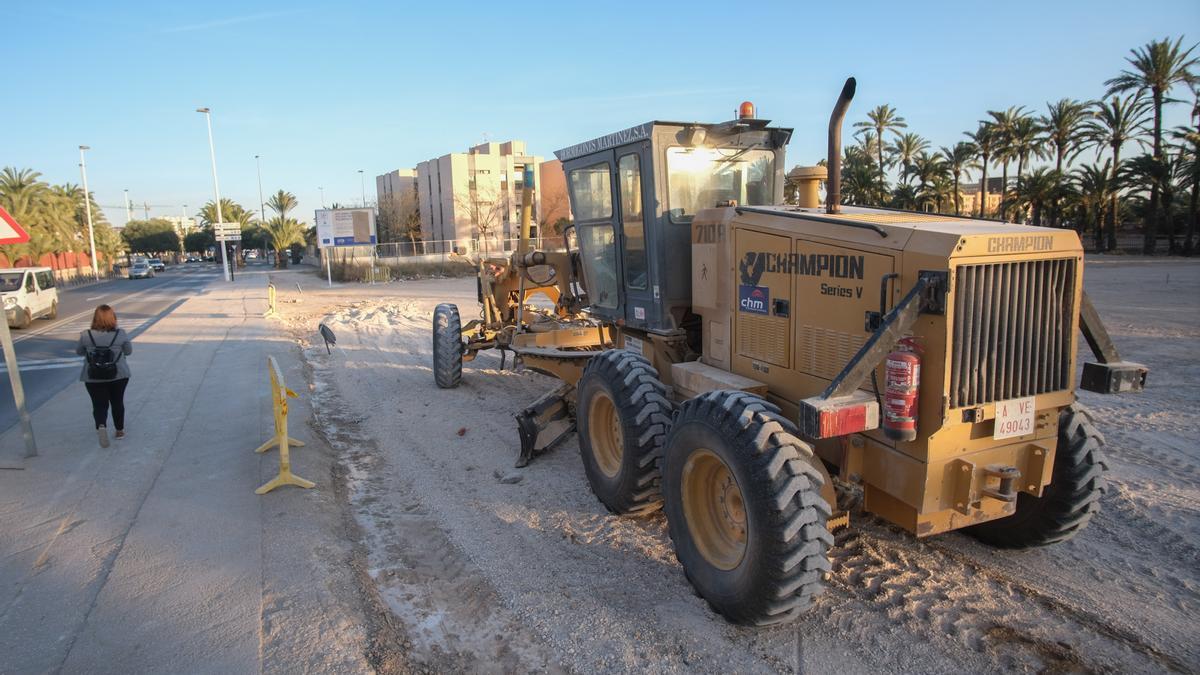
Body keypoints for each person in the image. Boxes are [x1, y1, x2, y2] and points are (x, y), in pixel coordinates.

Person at [76, 304, 132, 447]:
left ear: (95, 318)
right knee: (117, 402)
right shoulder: (121, 334)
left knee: (99, 404)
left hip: (93, 376)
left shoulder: (85, 335)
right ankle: (119, 431)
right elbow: (128, 351)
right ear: (113, 318)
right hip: (118, 374)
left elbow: (80, 352)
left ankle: (101, 425)